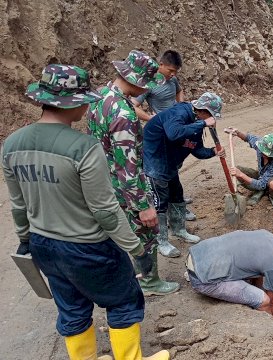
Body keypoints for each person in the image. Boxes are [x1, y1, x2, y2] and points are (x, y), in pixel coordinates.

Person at [2, 64, 169, 360]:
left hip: (44, 245)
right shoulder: (83, 148)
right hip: (87, 246)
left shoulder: (12, 144)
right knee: (124, 302)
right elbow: (104, 210)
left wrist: (25, 240)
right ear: (73, 102)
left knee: (72, 309)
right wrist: (135, 246)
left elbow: (19, 205)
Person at [87, 50, 179, 296]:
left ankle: (120, 278)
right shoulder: (124, 115)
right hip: (122, 186)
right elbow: (126, 166)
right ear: (136, 81)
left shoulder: (100, 97)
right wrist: (142, 206)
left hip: (98, 180)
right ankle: (149, 282)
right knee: (145, 232)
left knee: (110, 232)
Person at [143, 92, 225, 257]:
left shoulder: (195, 124)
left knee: (177, 197)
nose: (211, 120)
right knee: (160, 202)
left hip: (170, 164)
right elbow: (174, 133)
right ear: (201, 110)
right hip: (155, 163)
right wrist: (203, 124)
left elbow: (197, 150)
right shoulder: (179, 113)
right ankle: (162, 241)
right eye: (210, 115)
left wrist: (213, 152)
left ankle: (179, 230)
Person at [131, 50, 197, 221]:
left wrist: (180, 105)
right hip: (162, 134)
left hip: (177, 130)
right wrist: (150, 117)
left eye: (175, 71)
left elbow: (179, 91)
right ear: (160, 65)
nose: (173, 74)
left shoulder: (172, 79)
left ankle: (176, 201)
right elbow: (133, 105)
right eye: (170, 70)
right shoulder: (149, 85)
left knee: (175, 166)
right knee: (162, 171)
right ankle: (165, 206)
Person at [186, 229, 273, 317]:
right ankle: (270, 331)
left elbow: (259, 272)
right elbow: (271, 300)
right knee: (263, 301)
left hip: (195, 256)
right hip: (202, 279)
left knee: (255, 275)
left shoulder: (264, 234)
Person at [226, 128, 273, 210]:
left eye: (267, 153)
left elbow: (261, 184)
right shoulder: (260, 145)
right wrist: (237, 132)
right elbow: (249, 138)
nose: (264, 154)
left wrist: (241, 174)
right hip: (262, 176)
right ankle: (260, 191)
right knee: (238, 169)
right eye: (264, 152)